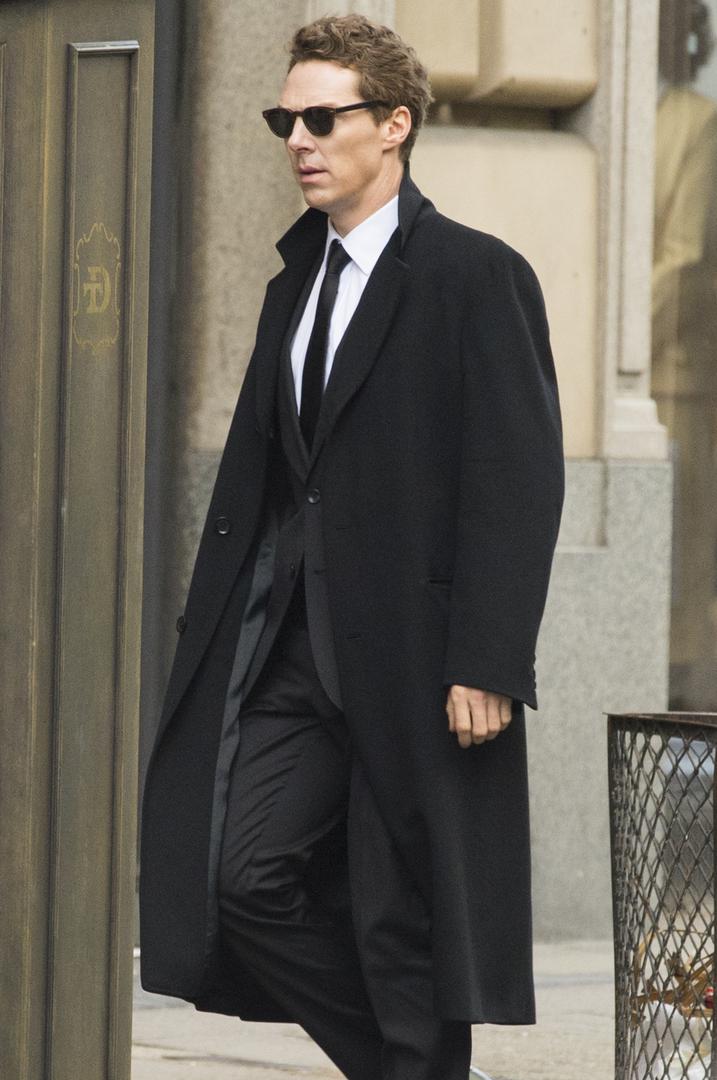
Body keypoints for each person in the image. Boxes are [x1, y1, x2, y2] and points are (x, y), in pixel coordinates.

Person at [140, 14, 564, 1080]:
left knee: (399, 918)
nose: (298, 140)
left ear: (395, 125)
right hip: (290, 649)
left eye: (323, 119)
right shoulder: (293, 285)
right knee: (240, 879)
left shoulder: (475, 275)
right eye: (285, 120)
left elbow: (516, 478)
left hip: (417, 656)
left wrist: (488, 656)